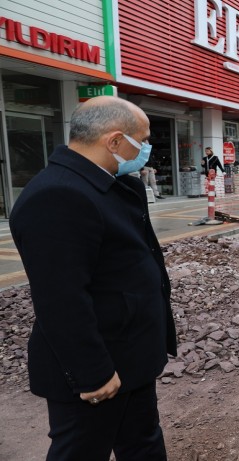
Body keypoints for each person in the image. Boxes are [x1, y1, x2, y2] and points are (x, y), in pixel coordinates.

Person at [9, 96, 177, 460]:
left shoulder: (115, 183)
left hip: (130, 353)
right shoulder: (57, 195)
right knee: (83, 451)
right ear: (115, 141)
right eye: (143, 140)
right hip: (99, 367)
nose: (147, 149)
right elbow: (61, 298)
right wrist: (93, 374)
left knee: (143, 442)